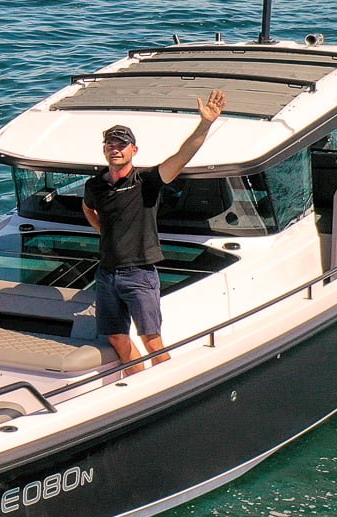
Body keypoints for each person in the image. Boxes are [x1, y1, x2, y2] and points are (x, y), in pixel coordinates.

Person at [81, 91, 228, 374]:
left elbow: (182, 156)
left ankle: (169, 385)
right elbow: (88, 209)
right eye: (110, 144)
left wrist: (205, 124)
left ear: (133, 150)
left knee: (152, 341)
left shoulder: (147, 182)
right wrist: (103, 231)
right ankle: (137, 384)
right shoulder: (95, 185)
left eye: (122, 144)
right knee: (116, 338)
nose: (115, 149)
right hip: (106, 273)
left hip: (139, 274)